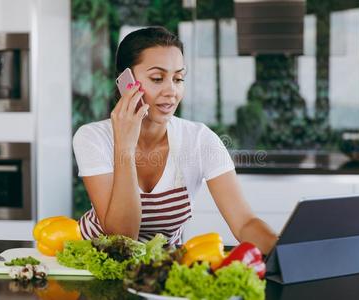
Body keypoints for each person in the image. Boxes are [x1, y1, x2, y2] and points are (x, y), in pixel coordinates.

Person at [73, 26, 278, 254]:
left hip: (158, 271)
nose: (172, 91)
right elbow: (122, 237)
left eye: (178, 78)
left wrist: (284, 251)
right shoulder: (92, 138)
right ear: (125, 82)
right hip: (93, 266)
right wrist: (125, 147)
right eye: (157, 78)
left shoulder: (199, 139)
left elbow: (244, 223)